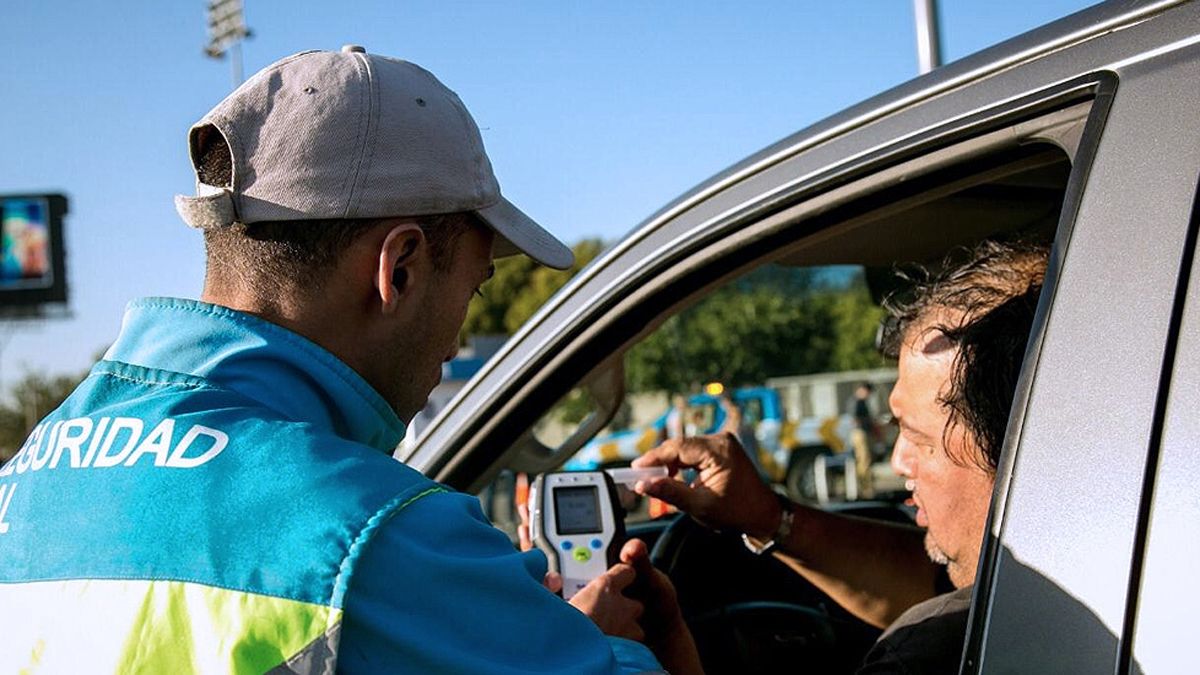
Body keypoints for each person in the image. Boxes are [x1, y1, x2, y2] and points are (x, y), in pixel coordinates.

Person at [0, 46, 700, 674]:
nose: (457, 336)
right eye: (475, 287)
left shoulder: (25, 478)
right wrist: (606, 644)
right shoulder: (386, 532)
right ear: (400, 268)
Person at [632, 239, 1048, 673]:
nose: (899, 462)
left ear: (1016, 449)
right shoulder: (1036, 596)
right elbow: (932, 585)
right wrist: (768, 517)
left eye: (918, 436)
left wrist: (659, 646)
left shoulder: (924, 658)